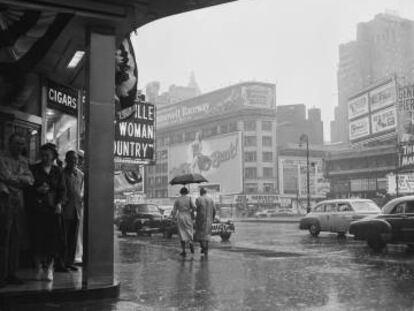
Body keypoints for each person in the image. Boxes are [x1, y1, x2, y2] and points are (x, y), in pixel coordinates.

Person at [0, 133, 34, 287]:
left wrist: (16, 179)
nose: (19, 147)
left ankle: (12, 273)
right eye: (16, 143)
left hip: (18, 205)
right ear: (9, 143)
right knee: (3, 239)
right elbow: (5, 177)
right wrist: (20, 179)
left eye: (21, 144)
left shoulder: (24, 161)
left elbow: (30, 180)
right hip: (4, 203)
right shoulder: (2, 159)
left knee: (15, 239)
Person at [28, 143, 65, 281]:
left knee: (52, 240)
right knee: (37, 238)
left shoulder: (58, 171)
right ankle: (38, 267)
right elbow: (28, 187)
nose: (44, 158)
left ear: (53, 156)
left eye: (47, 155)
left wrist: (60, 203)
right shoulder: (34, 169)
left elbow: (62, 190)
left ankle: (49, 268)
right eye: (42, 155)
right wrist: (37, 190)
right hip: (37, 209)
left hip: (53, 209)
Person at [62, 151, 84, 271]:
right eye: (71, 159)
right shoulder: (62, 173)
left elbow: (79, 191)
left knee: (73, 238)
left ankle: (70, 262)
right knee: (63, 238)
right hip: (65, 210)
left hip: (76, 210)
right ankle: (62, 263)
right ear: (66, 160)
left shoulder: (81, 175)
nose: (73, 161)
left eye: (75, 159)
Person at [171, 187, 195, 257]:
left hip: (180, 216)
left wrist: (173, 218)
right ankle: (190, 242)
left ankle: (184, 250)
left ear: (180, 192)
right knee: (189, 231)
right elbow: (194, 207)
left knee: (182, 233)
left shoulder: (177, 199)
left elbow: (174, 210)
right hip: (188, 216)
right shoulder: (189, 198)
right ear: (187, 192)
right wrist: (192, 211)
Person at [194, 188, 216, 256]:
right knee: (207, 235)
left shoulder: (198, 199)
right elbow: (214, 210)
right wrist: (212, 218)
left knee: (200, 235)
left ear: (200, 192)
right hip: (209, 220)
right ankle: (205, 248)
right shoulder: (211, 199)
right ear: (205, 192)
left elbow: (196, 209)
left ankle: (203, 248)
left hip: (201, 219)